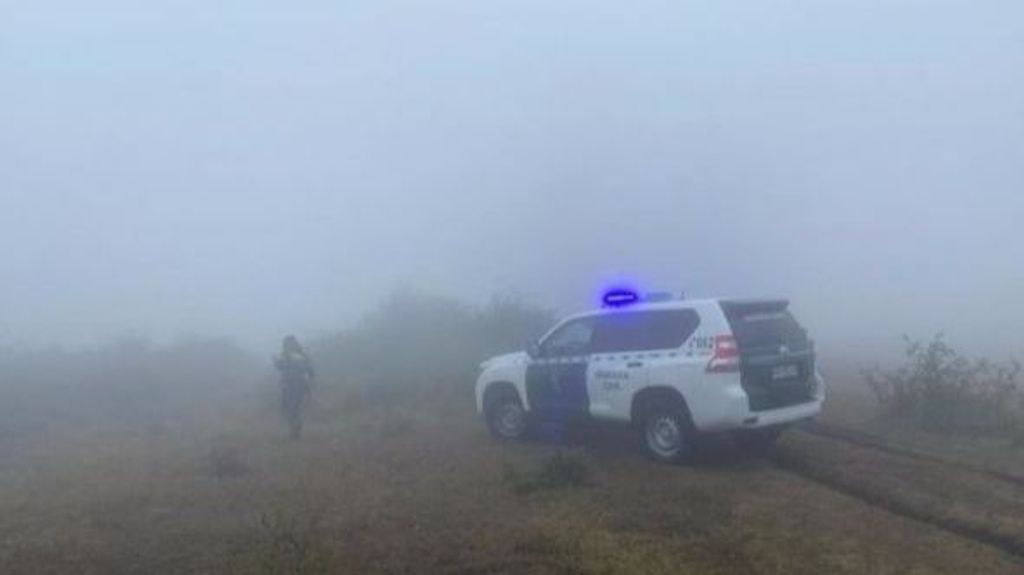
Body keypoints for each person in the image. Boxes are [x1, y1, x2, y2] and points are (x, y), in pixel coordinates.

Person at [273, 335, 314, 439]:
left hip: (294, 385)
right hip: (291, 385)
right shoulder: (299, 355)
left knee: (291, 408)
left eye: (287, 343)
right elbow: (310, 371)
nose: (286, 345)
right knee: (290, 408)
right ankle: (295, 428)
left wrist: (277, 362)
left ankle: (295, 429)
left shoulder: (295, 356)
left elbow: (309, 370)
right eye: (286, 343)